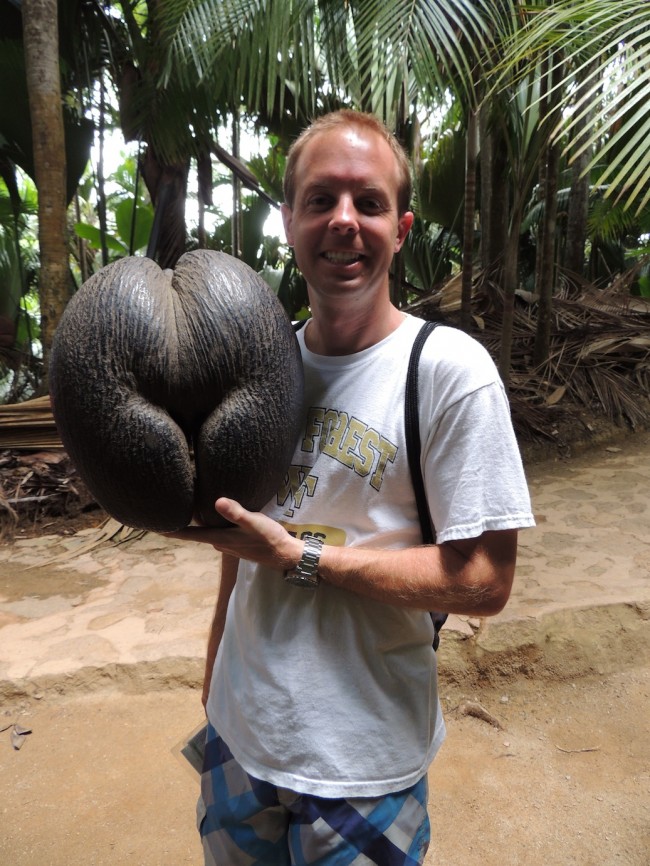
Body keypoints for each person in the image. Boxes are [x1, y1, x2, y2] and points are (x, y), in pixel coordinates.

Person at [167, 109, 535, 866]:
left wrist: (302, 558)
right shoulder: (256, 363)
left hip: (364, 758)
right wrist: (214, 676)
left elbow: (486, 582)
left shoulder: (448, 373)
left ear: (400, 229)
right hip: (242, 735)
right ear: (289, 220)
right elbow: (242, 543)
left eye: (367, 203)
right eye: (321, 199)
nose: (344, 221)